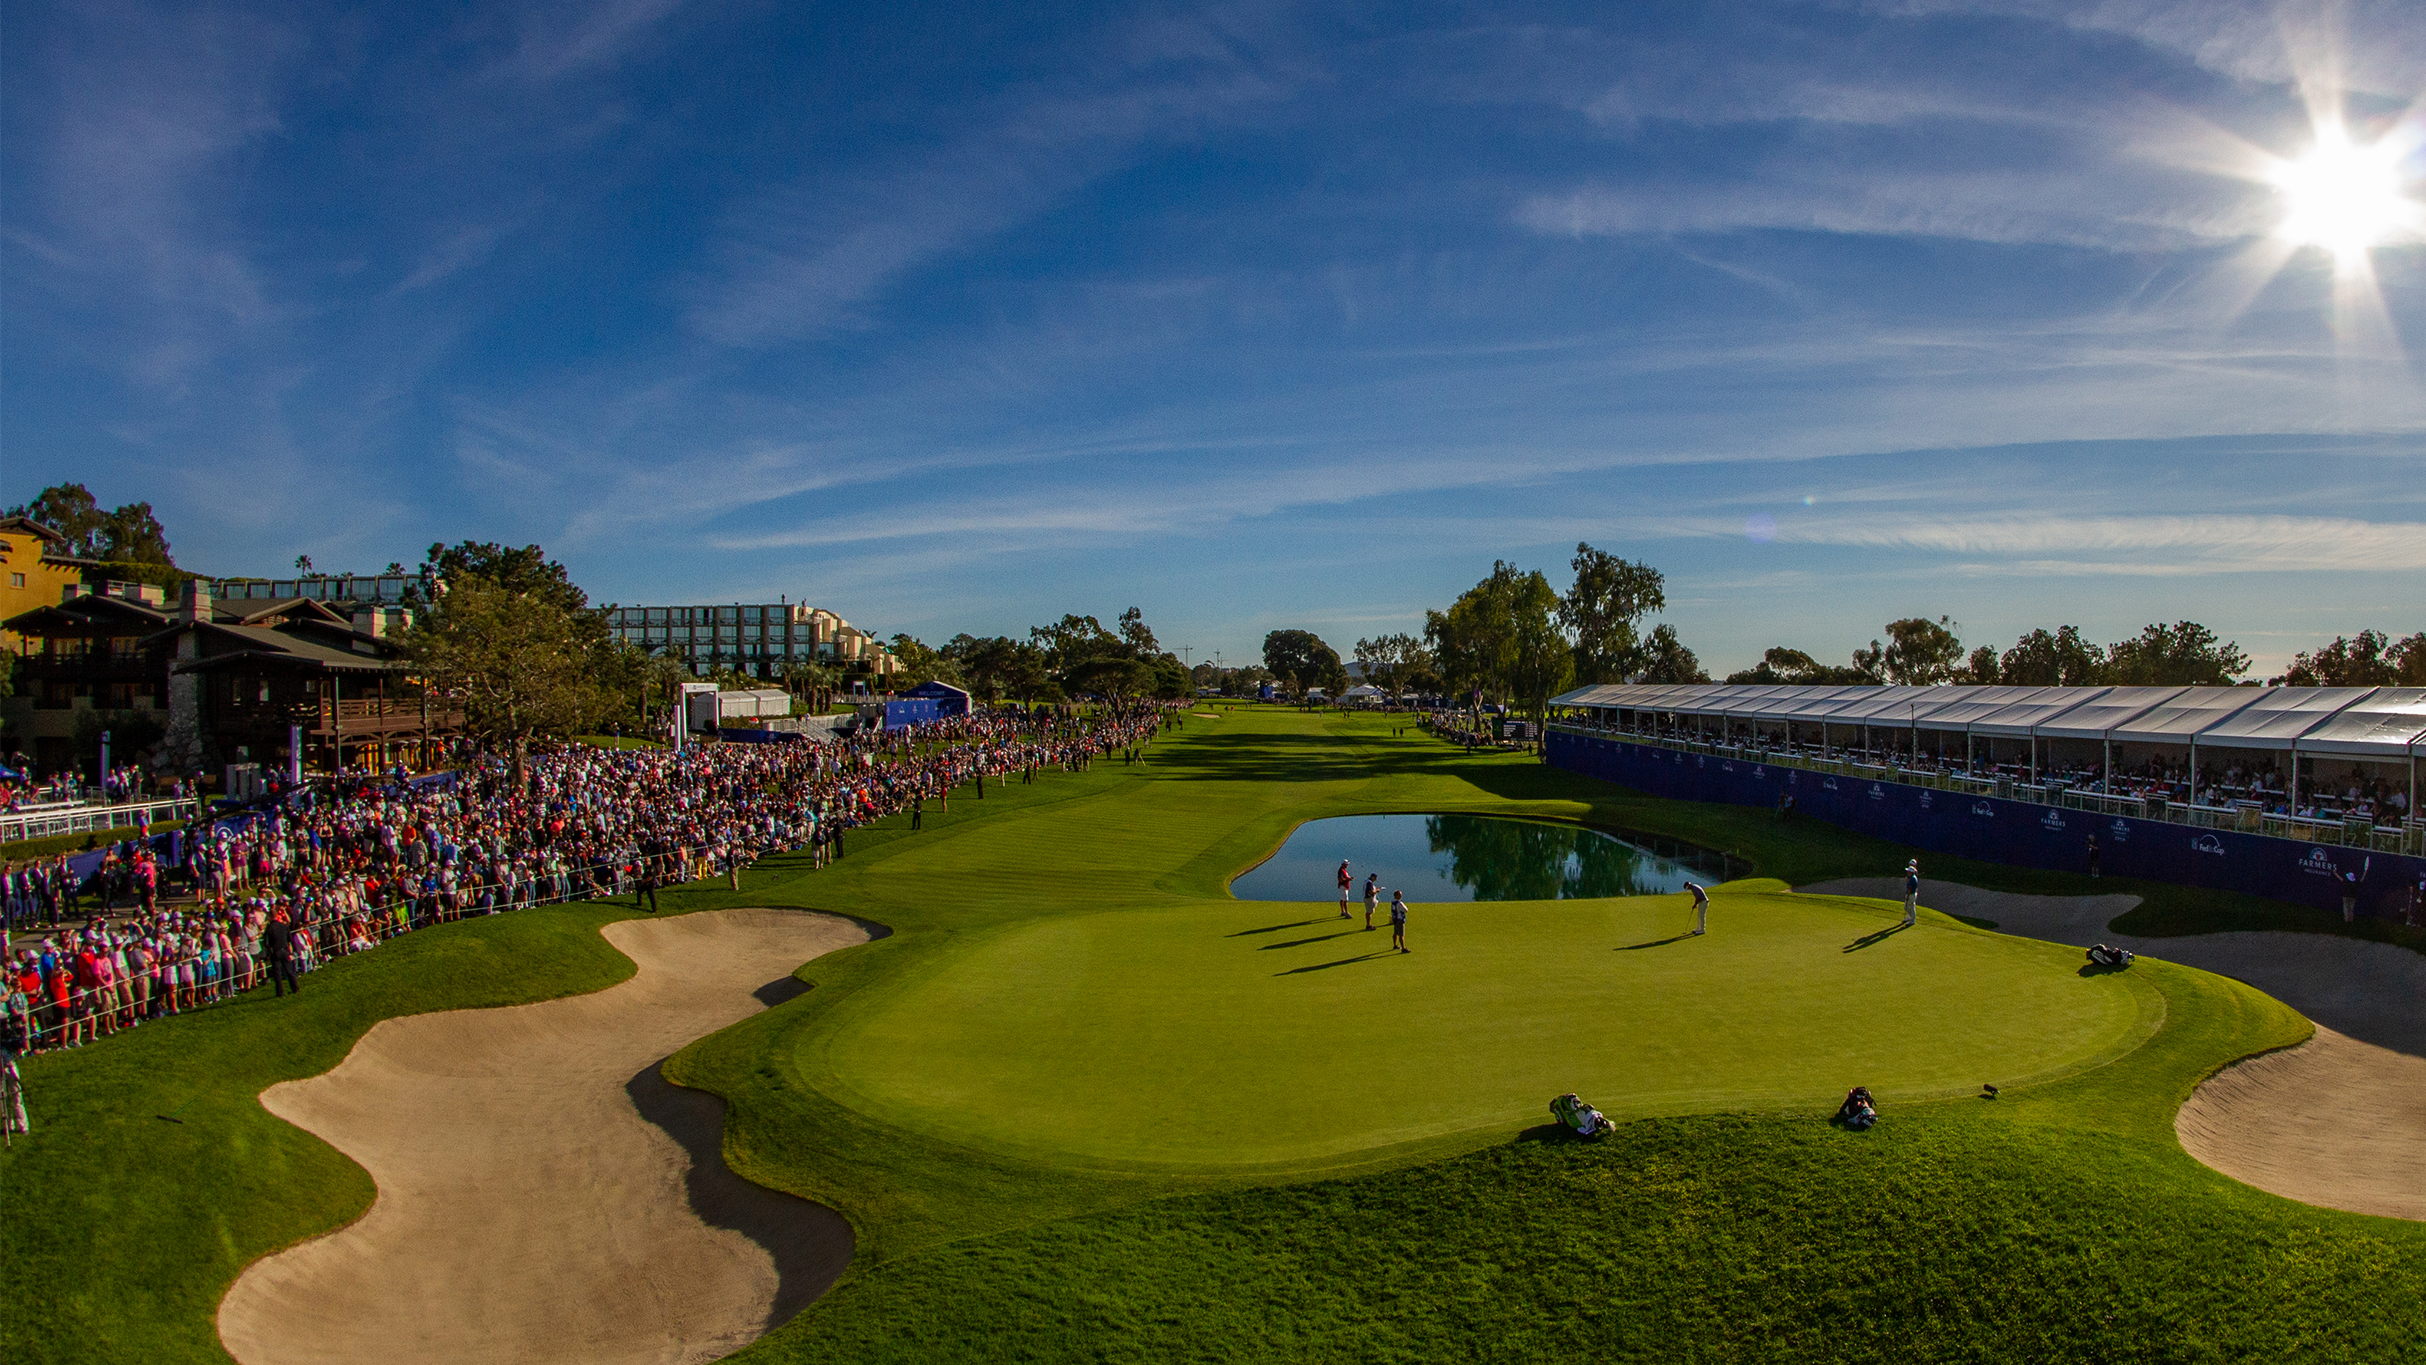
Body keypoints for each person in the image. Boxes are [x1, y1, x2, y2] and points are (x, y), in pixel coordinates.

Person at [264, 910, 301, 998]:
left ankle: (280, 993)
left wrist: (269, 952)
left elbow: (266, 943)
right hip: (285, 950)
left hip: (275, 951)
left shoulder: (269, 928)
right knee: (289, 971)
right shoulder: (283, 926)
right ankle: (295, 988)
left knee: (277, 973)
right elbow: (289, 939)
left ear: (269, 917)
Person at [1902, 860, 1920, 928]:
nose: (1907, 872)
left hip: (1911, 894)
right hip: (1913, 894)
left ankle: (1912, 919)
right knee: (1911, 906)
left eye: (1908, 871)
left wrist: (1907, 896)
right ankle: (1911, 918)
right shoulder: (1913, 877)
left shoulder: (1912, 878)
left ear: (1911, 872)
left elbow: (1909, 888)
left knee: (1907, 907)